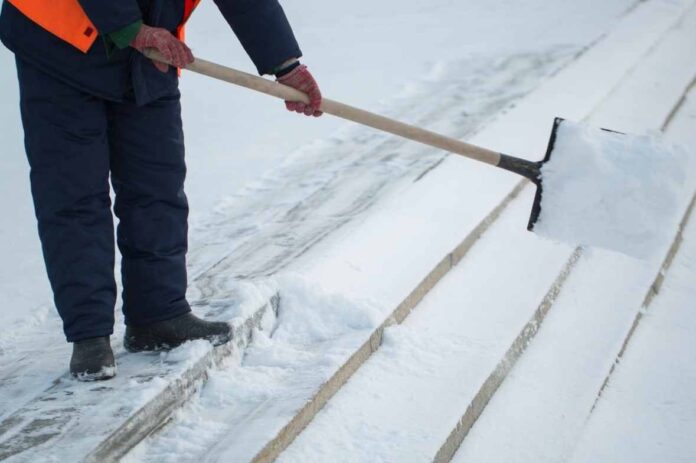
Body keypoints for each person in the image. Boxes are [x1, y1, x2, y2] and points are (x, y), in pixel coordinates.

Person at [0, 0, 323, 381]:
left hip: (149, 43)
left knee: (156, 180)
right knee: (75, 193)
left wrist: (285, 64)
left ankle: (158, 315)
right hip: (59, 42)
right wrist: (129, 30)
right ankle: (89, 335)